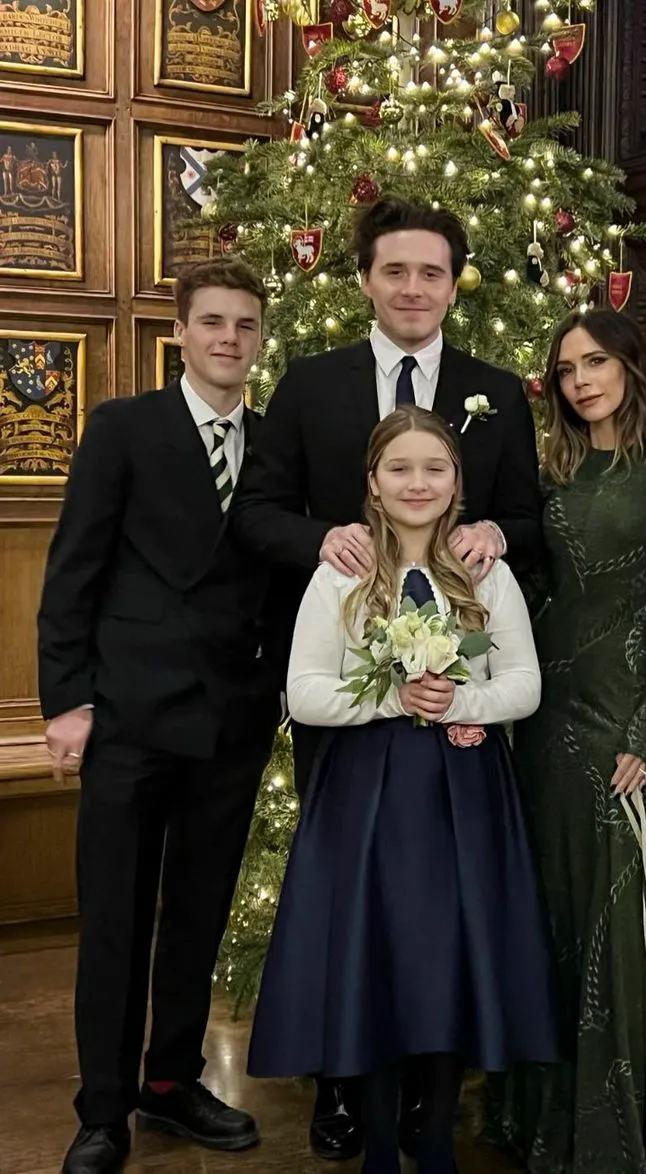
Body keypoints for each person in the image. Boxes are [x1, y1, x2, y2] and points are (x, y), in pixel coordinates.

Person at [230, 196, 543, 1158]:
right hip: (351, 687)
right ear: (365, 277)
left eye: (433, 272)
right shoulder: (312, 383)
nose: (414, 287)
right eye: (396, 270)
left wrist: (495, 531)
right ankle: (344, 1087)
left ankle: (427, 1096)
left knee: (439, 901)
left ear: (456, 282)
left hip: (458, 692)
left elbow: (528, 522)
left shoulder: (497, 389)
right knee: (350, 894)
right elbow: (258, 511)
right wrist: (326, 542)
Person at [247, 406, 558, 1174]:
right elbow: (305, 692)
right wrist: (391, 697)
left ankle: (437, 1135)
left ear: (456, 482)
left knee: (451, 955)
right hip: (368, 793)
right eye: (400, 469)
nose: (418, 483)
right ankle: (380, 1142)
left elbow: (523, 683)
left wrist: (461, 702)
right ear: (374, 486)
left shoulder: (485, 569)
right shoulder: (342, 573)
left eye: (435, 468)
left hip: (465, 787)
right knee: (378, 956)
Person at [37, 258, 283, 1174]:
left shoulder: (273, 444)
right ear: (179, 332)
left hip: (232, 720)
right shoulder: (123, 428)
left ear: (260, 338)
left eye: (245, 325)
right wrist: (66, 700)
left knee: (198, 915)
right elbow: (73, 572)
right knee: (115, 918)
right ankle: (102, 1108)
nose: (229, 338)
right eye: (212, 322)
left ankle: (172, 1083)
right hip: (129, 719)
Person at [487, 309, 646, 1173]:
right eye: (566, 369)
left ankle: (618, 1142)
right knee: (546, 912)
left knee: (614, 924)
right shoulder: (552, 471)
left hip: (618, 720)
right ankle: (540, 1122)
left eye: (595, 363)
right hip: (541, 718)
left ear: (628, 365)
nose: (581, 381)